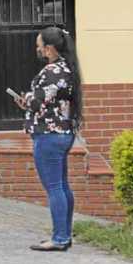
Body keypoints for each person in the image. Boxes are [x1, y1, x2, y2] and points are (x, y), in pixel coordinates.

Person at [14, 27, 81, 251]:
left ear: (49, 48)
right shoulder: (68, 68)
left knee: (54, 187)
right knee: (61, 185)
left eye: (39, 44)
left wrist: (27, 99)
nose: (37, 48)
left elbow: (37, 103)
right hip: (63, 132)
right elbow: (51, 101)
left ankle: (60, 238)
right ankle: (64, 234)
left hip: (48, 135)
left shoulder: (50, 71)